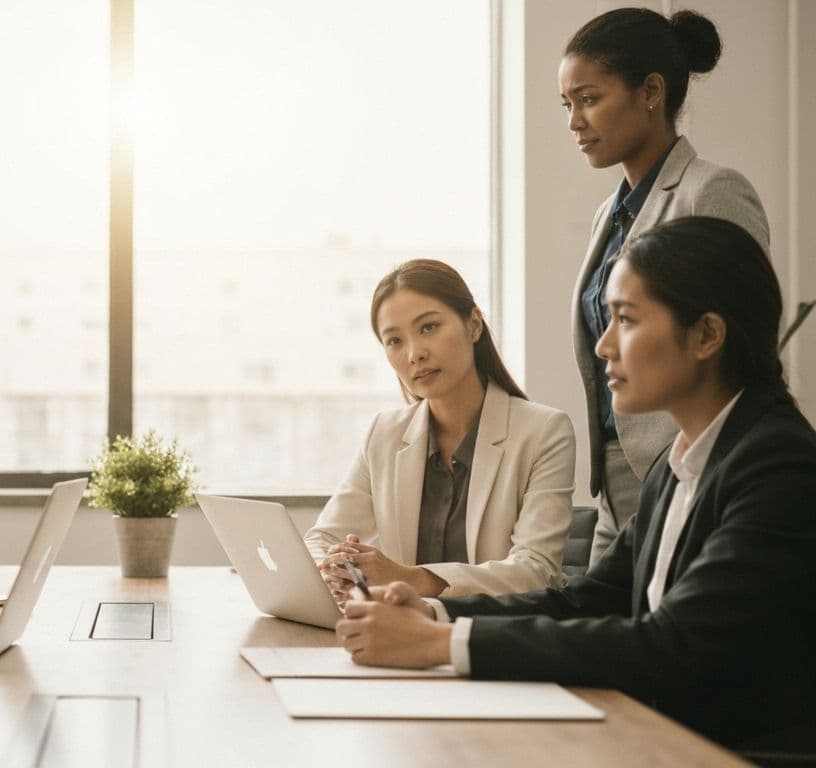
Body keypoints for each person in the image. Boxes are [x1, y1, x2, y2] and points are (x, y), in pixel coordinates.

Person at [336, 218, 816, 754]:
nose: (604, 346)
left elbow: (671, 644)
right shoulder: (678, 463)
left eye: (626, 320)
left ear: (705, 335)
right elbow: (589, 598)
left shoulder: (777, 464)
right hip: (653, 738)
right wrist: (434, 612)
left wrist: (439, 642)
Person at [561, 7, 770, 564]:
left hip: (685, 468)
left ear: (651, 90)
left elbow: (742, 344)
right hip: (614, 479)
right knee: (595, 632)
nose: (574, 122)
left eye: (588, 98)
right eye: (567, 105)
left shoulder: (712, 191)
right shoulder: (611, 211)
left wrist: (696, 463)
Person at [304, 260, 574, 598]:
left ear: (474, 325)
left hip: (490, 638)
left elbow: (536, 571)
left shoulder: (545, 432)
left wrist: (411, 578)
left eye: (429, 327)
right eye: (395, 341)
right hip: (397, 635)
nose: (415, 354)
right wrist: (334, 568)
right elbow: (321, 539)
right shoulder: (383, 433)